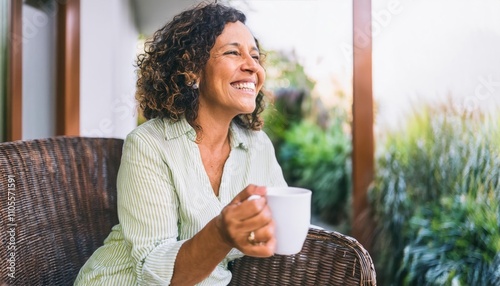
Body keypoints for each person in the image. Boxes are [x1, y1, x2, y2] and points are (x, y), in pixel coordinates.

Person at [75, 2, 287, 285]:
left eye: (255, 56)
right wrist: (221, 233)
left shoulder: (259, 147)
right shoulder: (148, 144)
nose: (252, 67)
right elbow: (153, 271)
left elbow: (283, 226)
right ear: (191, 71)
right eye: (233, 52)